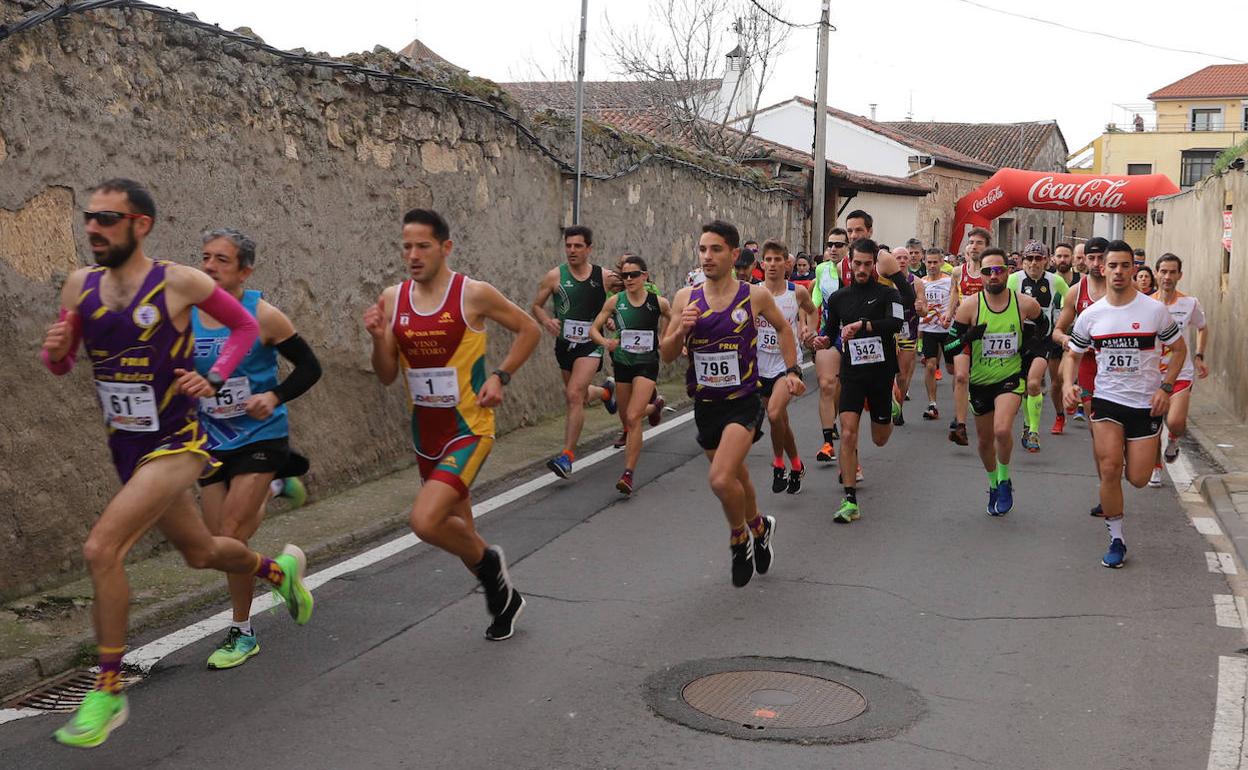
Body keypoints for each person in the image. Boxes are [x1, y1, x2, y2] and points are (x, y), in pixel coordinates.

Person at [41, 179, 313, 748]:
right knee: (202, 553)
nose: (92, 227)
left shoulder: (178, 282)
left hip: (179, 444)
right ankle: (276, 571)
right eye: (89, 216)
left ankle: (108, 690)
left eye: (107, 219)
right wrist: (57, 349)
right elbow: (61, 366)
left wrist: (213, 377)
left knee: (102, 549)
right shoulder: (78, 286)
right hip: (127, 448)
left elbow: (241, 325)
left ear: (140, 224)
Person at [364, 208, 540, 638]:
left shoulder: (472, 294)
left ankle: (492, 568)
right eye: (406, 246)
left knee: (425, 522)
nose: (413, 255)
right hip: (426, 434)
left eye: (422, 246)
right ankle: (505, 600)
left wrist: (501, 376)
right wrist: (377, 339)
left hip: (469, 429)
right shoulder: (392, 298)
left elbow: (529, 328)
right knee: (461, 530)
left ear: (445, 247)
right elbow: (387, 375)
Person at [193, 228, 323, 670]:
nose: (209, 267)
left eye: (221, 260)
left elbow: (310, 366)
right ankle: (280, 558)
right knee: (218, 547)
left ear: (245, 270)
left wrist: (275, 396)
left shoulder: (264, 315)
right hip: (210, 440)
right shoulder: (186, 313)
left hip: (260, 437)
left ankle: (242, 633)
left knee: (232, 533)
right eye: (206, 257)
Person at [659, 220, 804, 587]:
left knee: (721, 478)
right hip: (707, 403)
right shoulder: (684, 299)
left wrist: (791, 370)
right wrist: (680, 330)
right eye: (703, 250)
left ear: (735, 254)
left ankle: (739, 539)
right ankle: (760, 527)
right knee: (736, 476)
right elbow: (667, 354)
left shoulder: (753, 296)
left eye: (716, 249)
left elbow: (785, 329)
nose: (707, 257)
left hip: (744, 400)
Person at [1062, 240, 1184, 567]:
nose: (1118, 271)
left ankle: (1146, 451)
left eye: (1124, 266)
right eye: (1112, 265)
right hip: (1106, 401)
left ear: (1134, 269)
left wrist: (1167, 387)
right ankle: (1116, 538)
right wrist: (1068, 385)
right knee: (1110, 467)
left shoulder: (1154, 311)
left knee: (1139, 478)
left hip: (1145, 404)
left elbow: (1179, 349)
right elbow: (1072, 354)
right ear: (1103, 268)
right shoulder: (1092, 315)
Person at [812, 238, 907, 523]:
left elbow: (897, 324)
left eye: (867, 264)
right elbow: (829, 332)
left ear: (875, 265)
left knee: (880, 438)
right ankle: (850, 499)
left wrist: (864, 325)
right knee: (849, 431)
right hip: (852, 373)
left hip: (881, 373)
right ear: (850, 264)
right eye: (857, 264)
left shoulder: (888, 295)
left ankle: (891, 404)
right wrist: (820, 340)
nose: (862, 269)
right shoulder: (839, 298)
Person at [947, 249, 1046, 515]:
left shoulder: (1024, 304)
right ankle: (993, 483)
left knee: (1002, 430)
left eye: (999, 270)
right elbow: (950, 346)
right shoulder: (969, 307)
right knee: (984, 441)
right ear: (980, 275)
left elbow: (1044, 327)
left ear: (1008, 271)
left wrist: (1031, 349)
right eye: (988, 271)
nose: (994, 275)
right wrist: (968, 337)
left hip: (1010, 378)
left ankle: (1004, 480)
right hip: (980, 382)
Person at [531, 225, 618, 479]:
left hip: (590, 344)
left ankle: (567, 457)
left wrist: (612, 319)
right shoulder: (554, 277)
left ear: (589, 249)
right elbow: (536, 306)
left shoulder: (605, 277)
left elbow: (623, 301)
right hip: (564, 346)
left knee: (573, 394)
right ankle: (604, 392)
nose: (572, 250)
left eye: (578, 246)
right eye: (568, 245)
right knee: (576, 397)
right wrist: (546, 320)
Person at [589, 255, 671, 495]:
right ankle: (655, 407)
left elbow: (674, 319)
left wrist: (665, 339)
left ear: (644, 276)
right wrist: (605, 341)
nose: (629, 279)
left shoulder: (658, 302)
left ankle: (628, 473)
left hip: (647, 364)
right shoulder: (615, 301)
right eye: (625, 275)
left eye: (634, 274)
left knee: (634, 417)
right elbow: (594, 328)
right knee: (627, 418)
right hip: (623, 363)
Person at [754, 241, 818, 494]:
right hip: (760, 364)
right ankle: (797, 464)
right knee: (779, 419)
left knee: (773, 413)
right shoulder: (753, 291)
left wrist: (808, 330)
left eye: (777, 260)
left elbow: (812, 312)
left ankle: (778, 464)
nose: (772, 265)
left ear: (786, 264)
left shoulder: (797, 292)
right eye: (767, 260)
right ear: (762, 264)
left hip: (787, 364)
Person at [1151, 253, 1208, 485]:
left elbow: (1202, 327)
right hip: (1153, 375)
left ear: (1179, 275)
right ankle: (1156, 467)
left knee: (1174, 421)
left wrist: (1199, 356)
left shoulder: (1190, 303)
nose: (1167, 276)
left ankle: (1173, 439)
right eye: (1163, 271)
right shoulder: (1146, 304)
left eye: (1172, 272)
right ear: (1156, 274)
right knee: (1153, 425)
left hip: (1181, 373)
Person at [1007, 240, 1069, 449]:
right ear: (1023, 261)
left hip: (1043, 339)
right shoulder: (1014, 280)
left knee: (1034, 383)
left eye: (1038, 258)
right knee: (1023, 386)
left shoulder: (1056, 281)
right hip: (1019, 340)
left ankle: (1033, 430)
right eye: (1029, 259)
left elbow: (1071, 304)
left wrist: (1061, 327)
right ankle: (1026, 424)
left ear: (1046, 260)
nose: (1034, 263)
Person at [1053, 237, 1109, 427]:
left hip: (1115, 364)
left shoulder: (1125, 288)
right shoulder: (1076, 291)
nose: (1096, 263)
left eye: (1101, 258)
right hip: (1087, 362)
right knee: (1096, 421)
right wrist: (1066, 339)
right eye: (1091, 258)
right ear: (1083, 260)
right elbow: (1057, 331)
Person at [947, 227, 992, 446]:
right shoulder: (958, 271)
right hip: (964, 328)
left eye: (979, 243)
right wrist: (948, 313)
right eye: (971, 242)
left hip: (986, 330)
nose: (974, 246)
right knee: (960, 376)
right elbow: (954, 291)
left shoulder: (992, 272)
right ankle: (960, 423)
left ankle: (977, 406)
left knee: (979, 378)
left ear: (987, 247)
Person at [810, 227, 847, 463]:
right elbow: (815, 301)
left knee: (840, 384)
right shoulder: (822, 269)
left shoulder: (858, 268)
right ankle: (827, 442)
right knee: (826, 384)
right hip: (830, 332)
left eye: (838, 245)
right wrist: (809, 326)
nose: (833, 249)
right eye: (830, 244)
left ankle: (835, 418)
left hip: (855, 335)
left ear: (847, 248)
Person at [919, 248, 955, 420]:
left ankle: (961, 400)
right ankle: (932, 404)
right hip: (929, 330)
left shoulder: (949, 282)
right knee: (931, 365)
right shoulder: (921, 283)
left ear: (942, 262)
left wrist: (950, 313)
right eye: (929, 262)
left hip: (948, 330)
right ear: (924, 262)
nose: (932, 265)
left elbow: (957, 301)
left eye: (935, 262)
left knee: (952, 369)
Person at [890, 246, 925, 425]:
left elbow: (924, 310)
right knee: (887, 372)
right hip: (888, 331)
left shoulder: (916, 282)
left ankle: (899, 408)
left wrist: (921, 308)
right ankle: (890, 400)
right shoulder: (884, 281)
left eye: (905, 258)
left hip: (907, 332)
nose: (902, 261)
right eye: (898, 258)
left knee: (902, 375)